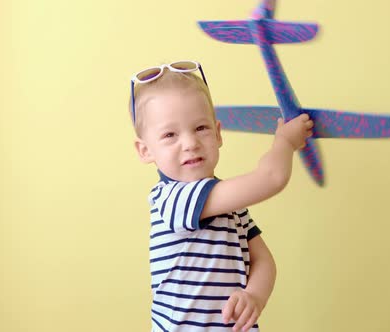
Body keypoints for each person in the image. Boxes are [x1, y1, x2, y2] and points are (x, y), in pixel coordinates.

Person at [129, 60, 313, 332]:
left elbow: (263, 260)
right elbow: (271, 178)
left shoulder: (230, 207)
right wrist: (284, 142)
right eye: (170, 134)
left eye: (200, 128)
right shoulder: (173, 199)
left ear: (217, 133)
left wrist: (254, 296)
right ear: (145, 151)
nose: (190, 143)